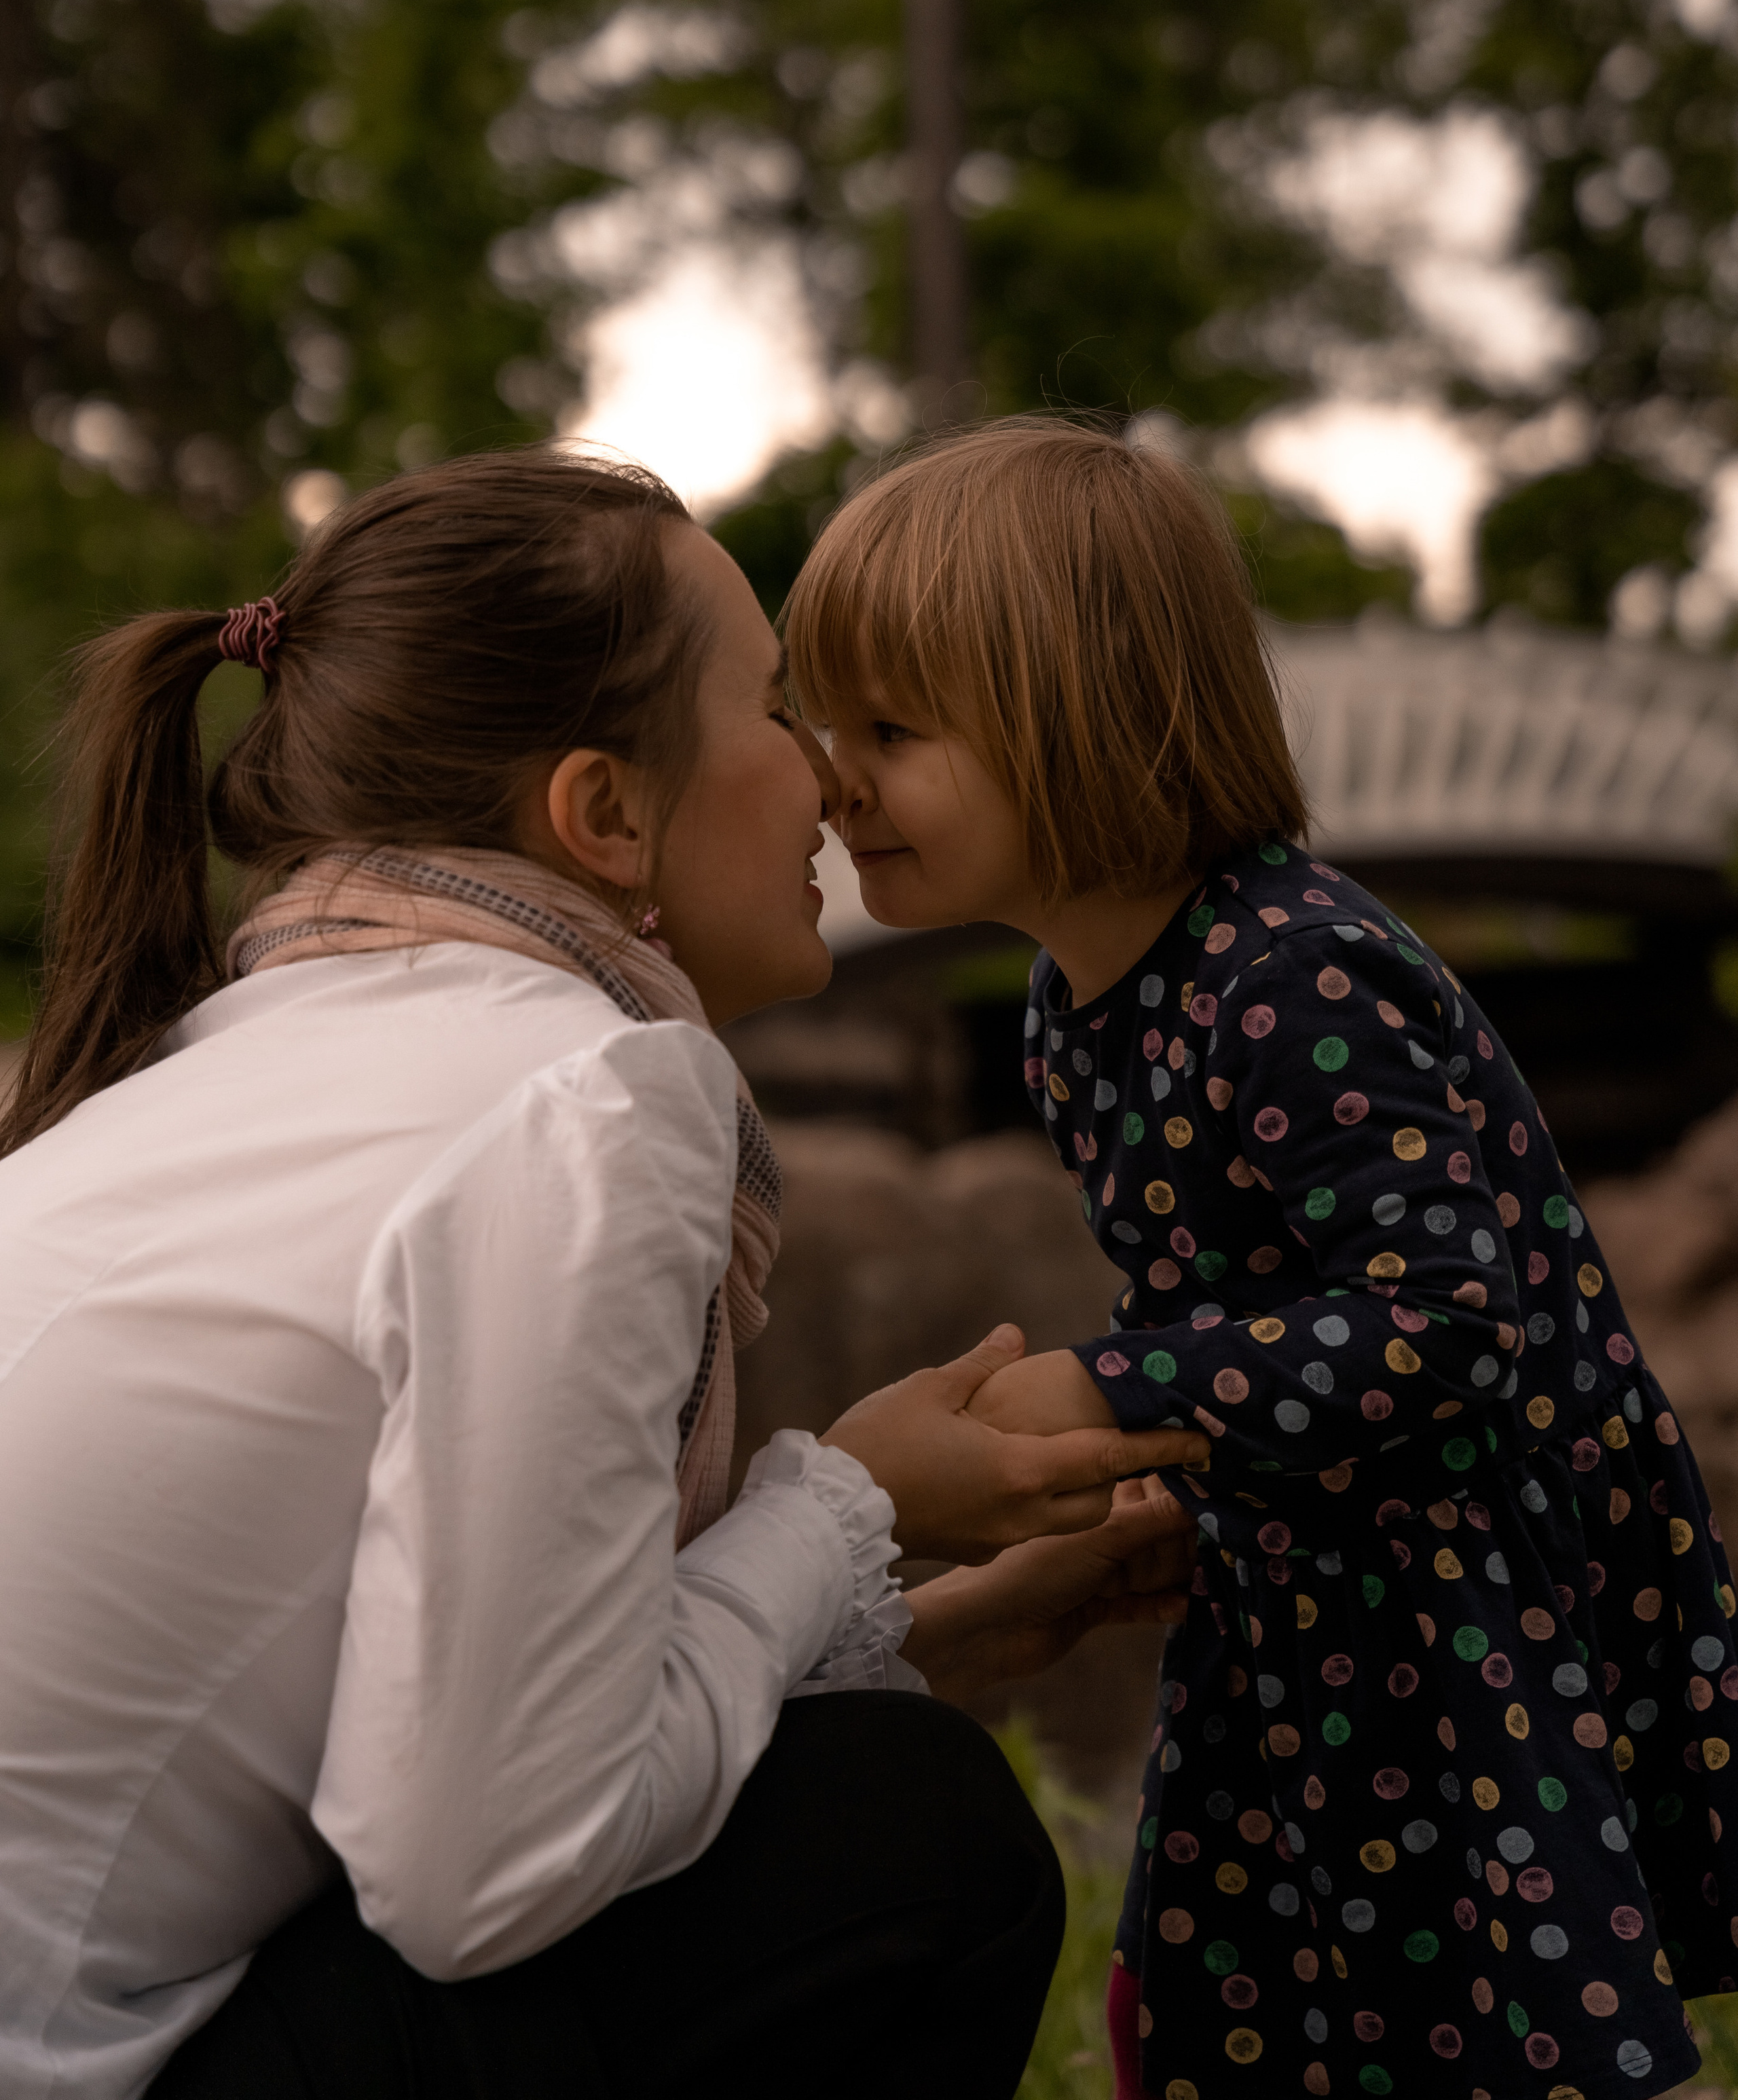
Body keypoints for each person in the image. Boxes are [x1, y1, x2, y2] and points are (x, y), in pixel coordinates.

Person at [0, 447, 1205, 2100]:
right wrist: (841, 1503)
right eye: (780, 712)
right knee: (907, 1837)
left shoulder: (213, 1066)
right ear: (605, 813)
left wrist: (907, 1624)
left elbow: (468, 1720)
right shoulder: (581, 1096)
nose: (831, 783)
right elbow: (476, 1875)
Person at [784, 413, 1738, 2100]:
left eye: (889, 727)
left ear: (1082, 720)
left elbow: (1448, 1317)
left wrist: (1119, 1383)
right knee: (1253, 1983)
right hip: (1301, 1575)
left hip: (1457, 1606)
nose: (829, 776)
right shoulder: (1077, 1008)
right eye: (815, 723)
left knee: (1487, 2004)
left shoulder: (1289, 975)